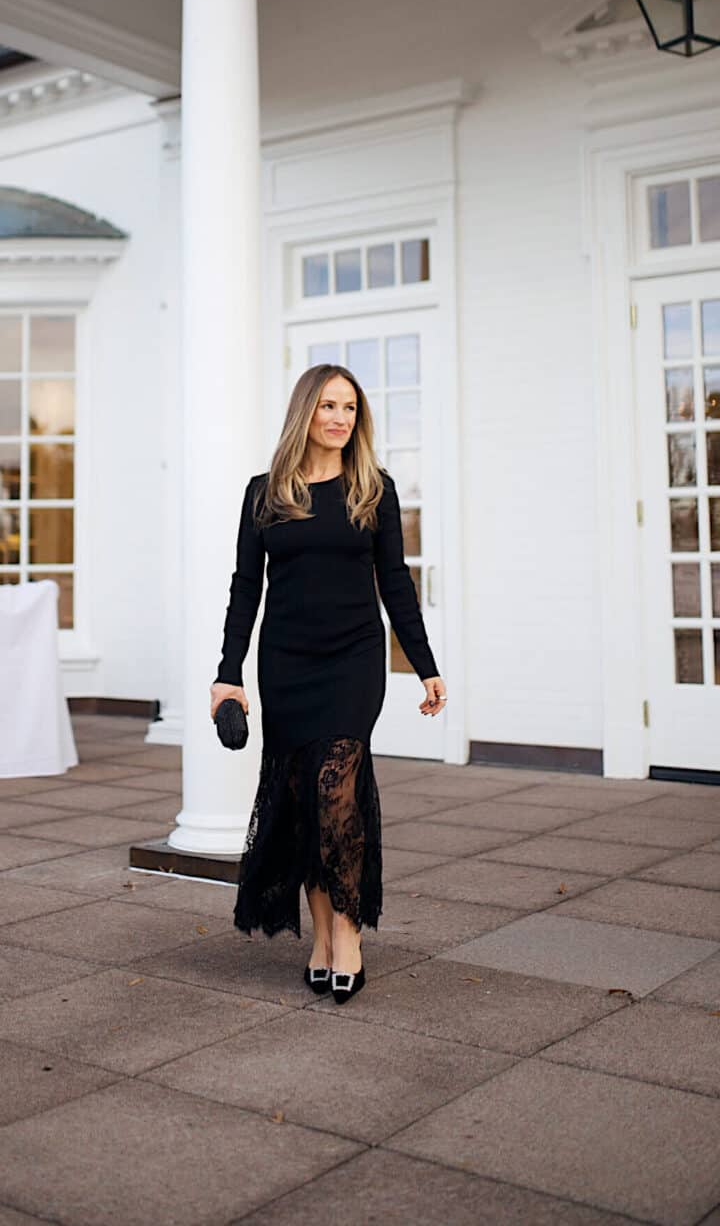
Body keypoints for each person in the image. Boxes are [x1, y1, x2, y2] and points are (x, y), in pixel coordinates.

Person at [210, 363, 446, 1004]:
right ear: (305, 414)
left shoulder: (374, 488)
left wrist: (424, 664)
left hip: (353, 658)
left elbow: (395, 583)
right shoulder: (265, 494)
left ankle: (348, 937)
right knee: (305, 806)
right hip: (286, 661)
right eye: (328, 407)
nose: (340, 418)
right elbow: (244, 591)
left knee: (334, 789)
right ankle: (320, 936)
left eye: (349, 408)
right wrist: (227, 676)